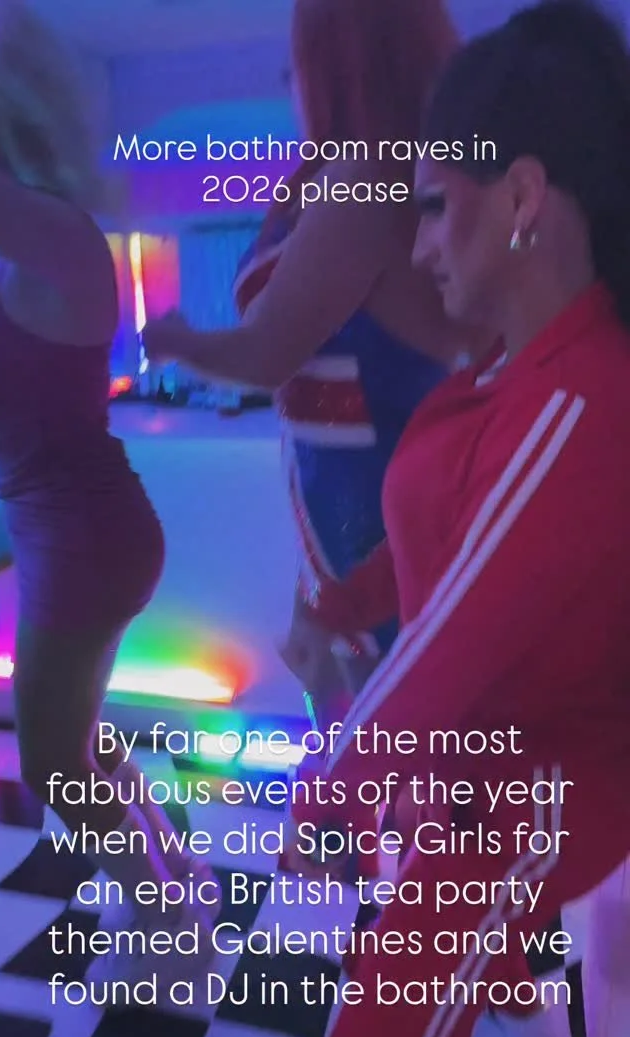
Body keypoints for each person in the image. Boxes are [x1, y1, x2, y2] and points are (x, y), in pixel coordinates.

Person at [282, 2, 630, 1037]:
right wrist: (343, 600)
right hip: (476, 767)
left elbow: (450, 645)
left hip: (538, 788)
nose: (421, 244)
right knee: (402, 1027)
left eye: (435, 206)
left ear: (521, 200)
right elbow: (444, 541)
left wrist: (326, 796)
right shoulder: (506, 375)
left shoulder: (575, 401)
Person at [143, 0, 481, 736]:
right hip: (358, 507)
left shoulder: (365, 180)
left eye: (295, 65)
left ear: (333, 62)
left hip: (373, 511)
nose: (289, 83)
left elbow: (268, 352)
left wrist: (177, 341)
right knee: (376, 740)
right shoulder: (396, 172)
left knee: (385, 747)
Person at [0, 1, 217, 997]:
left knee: (52, 763)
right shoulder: (28, 253)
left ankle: (169, 923)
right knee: (77, 740)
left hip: (83, 537)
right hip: (70, 531)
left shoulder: (63, 241)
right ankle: (173, 874)